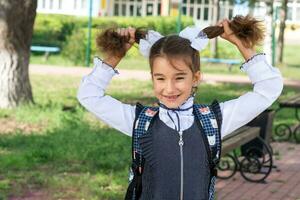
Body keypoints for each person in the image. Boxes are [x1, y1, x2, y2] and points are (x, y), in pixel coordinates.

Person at [77, 15, 283, 200]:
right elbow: (89, 95)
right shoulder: (140, 121)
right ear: (152, 78)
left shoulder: (214, 121)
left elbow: (268, 88)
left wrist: (243, 46)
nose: (169, 88)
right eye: (160, 78)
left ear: (195, 78)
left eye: (179, 77)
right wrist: (114, 56)